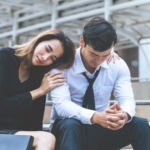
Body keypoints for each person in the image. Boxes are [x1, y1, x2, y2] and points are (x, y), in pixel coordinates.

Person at [50, 17, 150, 150]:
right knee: (71, 125)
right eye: (93, 54)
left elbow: (127, 99)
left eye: (105, 55)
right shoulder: (64, 64)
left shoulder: (117, 65)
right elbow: (62, 106)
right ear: (82, 41)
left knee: (140, 124)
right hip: (69, 131)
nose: (99, 60)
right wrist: (95, 117)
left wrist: (124, 115)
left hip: (101, 127)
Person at [0, 29, 76, 150]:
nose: (45, 57)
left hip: (14, 135)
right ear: (39, 40)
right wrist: (39, 91)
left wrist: (108, 53)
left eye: (53, 58)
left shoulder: (39, 77)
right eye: (47, 49)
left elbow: (34, 123)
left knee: (47, 138)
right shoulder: (4, 57)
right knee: (46, 138)